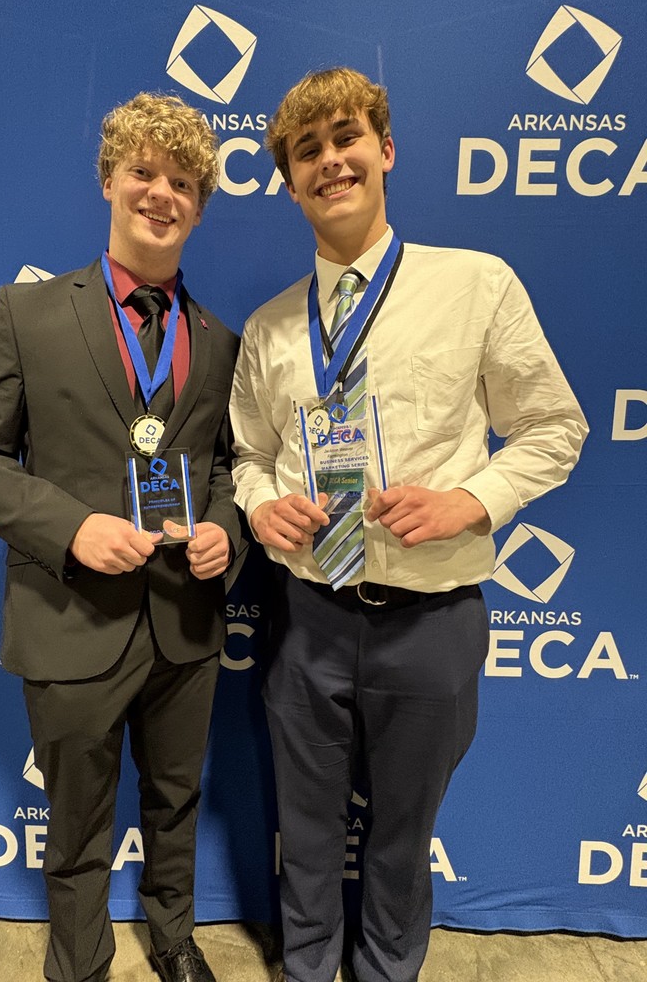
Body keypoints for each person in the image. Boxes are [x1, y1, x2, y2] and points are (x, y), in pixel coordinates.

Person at [229, 68, 587, 982]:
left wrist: (470, 501)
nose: (329, 162)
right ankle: (308, 971)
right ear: (289, 181)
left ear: (385, 152)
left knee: (400, 837)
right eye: (306, 152)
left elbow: (556, 429)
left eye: (346, 139)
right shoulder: (270, 327)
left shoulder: (476, 286)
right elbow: (248, 457)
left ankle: (389, 973)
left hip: (432, 619)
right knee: (305, 834)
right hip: (307, 620)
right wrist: (262, 503)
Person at [0, 92, 243, 982]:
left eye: (183, 182)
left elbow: (226, 468)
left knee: (177, 799)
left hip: (184, 620)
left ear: (200, 204)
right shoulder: (27, 312)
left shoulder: (217, 342)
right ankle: (79, 962)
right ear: (110, 179)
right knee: (77, 816)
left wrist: (225, 530)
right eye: (144, 172)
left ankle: (175, 938)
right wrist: (73, 528)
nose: (162, 194)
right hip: (70, 615)